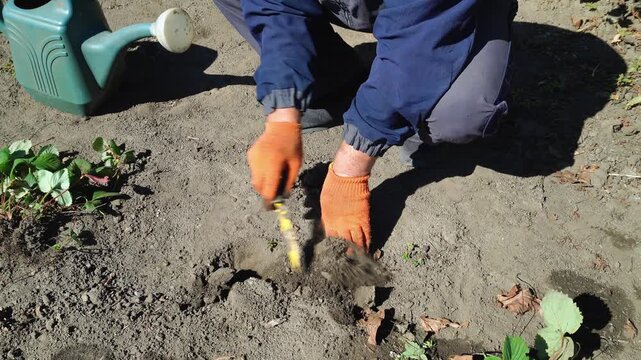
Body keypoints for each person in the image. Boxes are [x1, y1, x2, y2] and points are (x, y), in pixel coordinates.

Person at [213, 0, 517, 253]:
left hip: (445, 13)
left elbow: (421, 38)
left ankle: (411, 111)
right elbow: (274, 5)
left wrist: (351, 167)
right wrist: (282, 113)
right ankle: (336, 84)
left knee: (459, 114)